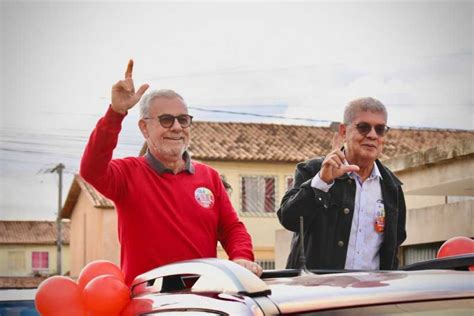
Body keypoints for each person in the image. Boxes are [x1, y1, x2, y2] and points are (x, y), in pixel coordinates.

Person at [80, 60, 262, 286]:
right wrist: (116, 113)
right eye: (166, 120)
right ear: (144, 128)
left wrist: (242, 257)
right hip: (149, 304)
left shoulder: (210, 177)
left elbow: (232, 228)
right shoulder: (127, 173)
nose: (177, 127)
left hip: (204, 301)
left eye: (183, 120)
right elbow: (91, 170)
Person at [277, 97, 406, 271]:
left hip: (373, 294)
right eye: (363, 127)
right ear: (344, 131)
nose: (372, 135)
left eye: (380, 129)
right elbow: (289, 218)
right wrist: (322, 182)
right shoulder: (313, 170)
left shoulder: (392, 188)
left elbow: (394, 245)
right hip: (319, 292)